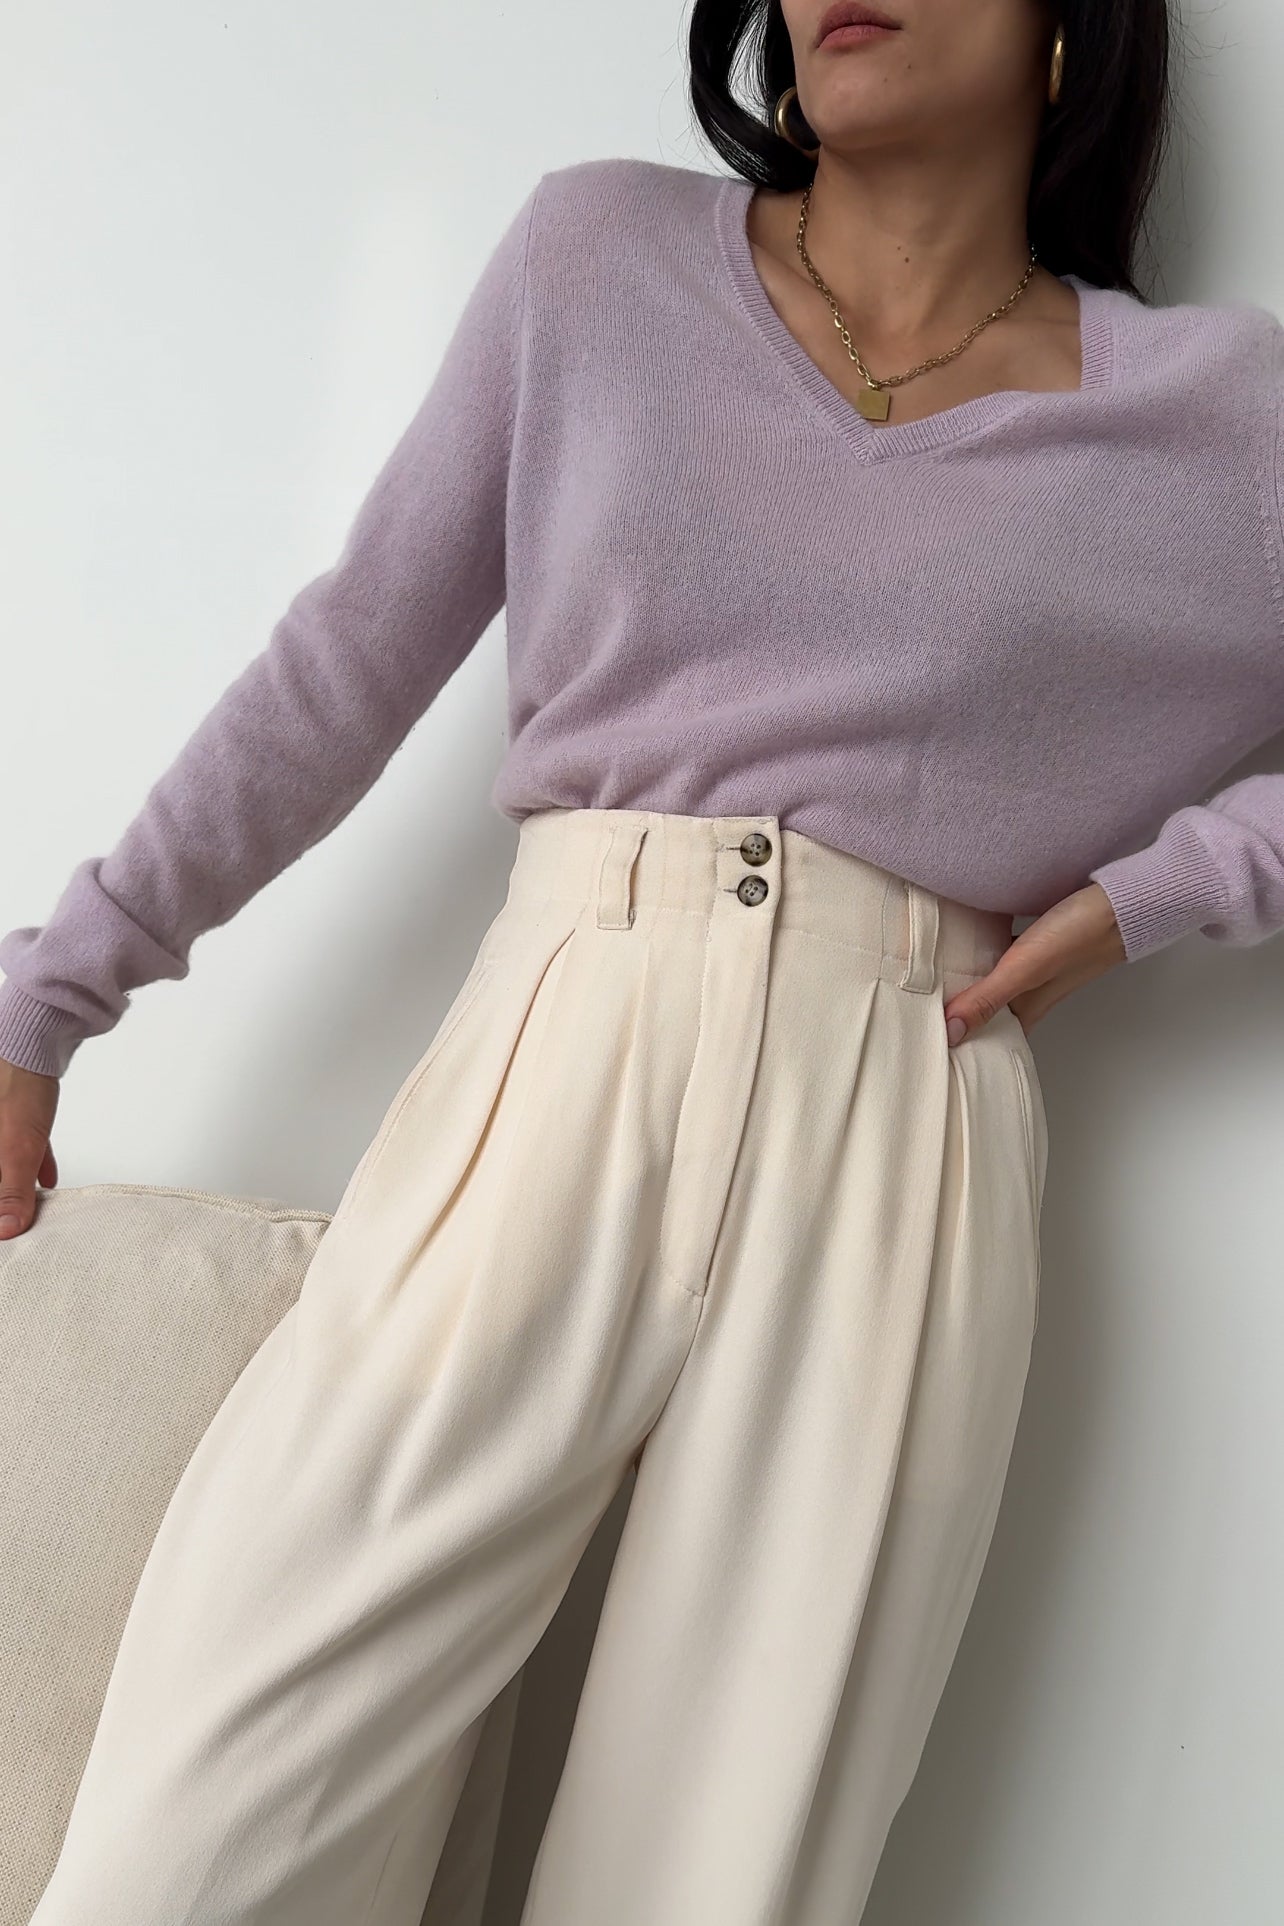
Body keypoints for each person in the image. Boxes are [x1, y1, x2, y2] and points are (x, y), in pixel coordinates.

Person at [4, 0, 1283, 1919]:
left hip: (901, 1119)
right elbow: (345, 661)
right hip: (562, 1041)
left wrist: (1171, 889)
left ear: (1067, 37)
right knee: (191, 1849)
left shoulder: (1218, 423)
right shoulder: (597, 260)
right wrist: (54, 988)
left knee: (712, 1883)